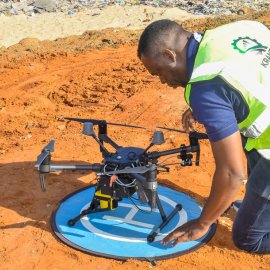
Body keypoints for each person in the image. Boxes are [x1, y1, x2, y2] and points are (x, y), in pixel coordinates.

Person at [137, 19, 270, 254]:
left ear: (169, 55)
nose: (162, 81)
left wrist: (202, 223)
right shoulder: (233, 30)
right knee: (244, 133)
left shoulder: (206, 88)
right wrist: (214, 104)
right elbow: (242, 75)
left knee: (248, 238)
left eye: (158, 72)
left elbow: (232, 173)